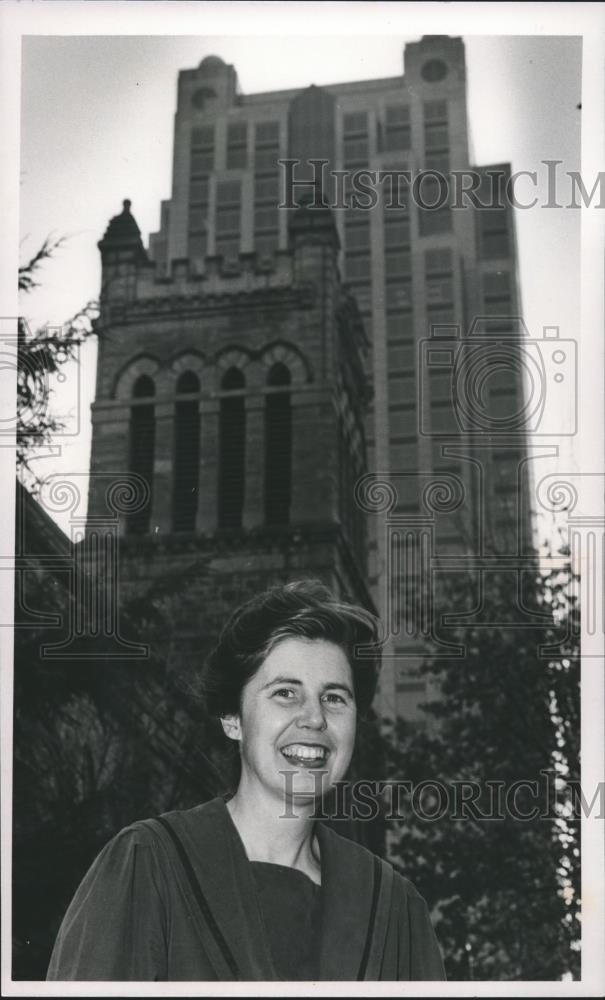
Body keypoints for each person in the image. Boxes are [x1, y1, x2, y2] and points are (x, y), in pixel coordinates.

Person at [47, 580, 445, 982]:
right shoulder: (148, 864)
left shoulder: (396, 909)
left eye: (335, 697)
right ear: (232, 718)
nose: (314, 718)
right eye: (285, 692)